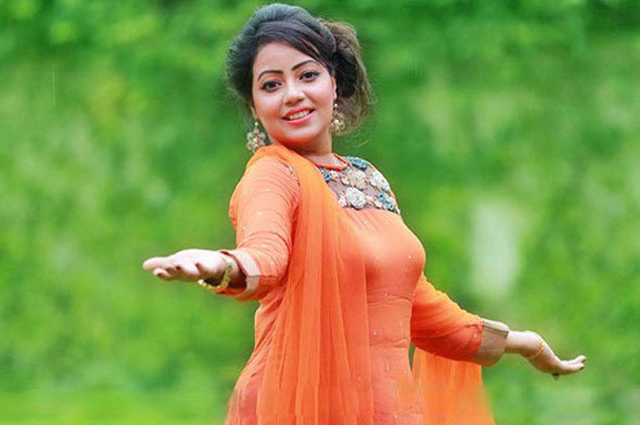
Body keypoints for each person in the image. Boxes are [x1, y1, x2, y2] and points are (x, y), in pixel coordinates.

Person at [142, 4, 586, 425]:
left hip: (385, 410)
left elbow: (415, 306)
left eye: (307, 75)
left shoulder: (367, 178)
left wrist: (523, 343)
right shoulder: (274, 174)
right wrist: (222, 266)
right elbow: (266, 256)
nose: (293, 94)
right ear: (254, 105)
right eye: (271, 85)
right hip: (302, 407)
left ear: (334, 83)